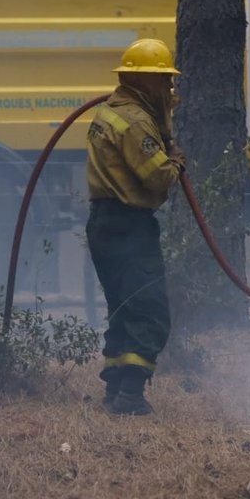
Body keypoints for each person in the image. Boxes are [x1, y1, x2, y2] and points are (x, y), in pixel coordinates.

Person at [85, 38, 186, 416]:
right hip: (129, 225)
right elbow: (157, 177)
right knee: (149, 309)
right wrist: (174, 161)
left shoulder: (112, 111)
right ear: (144, 81)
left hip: (104, 223)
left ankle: (115, 390)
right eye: (164, 81)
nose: (169, 89)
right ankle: (130, 394)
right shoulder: (136, 121)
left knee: (123, 308)